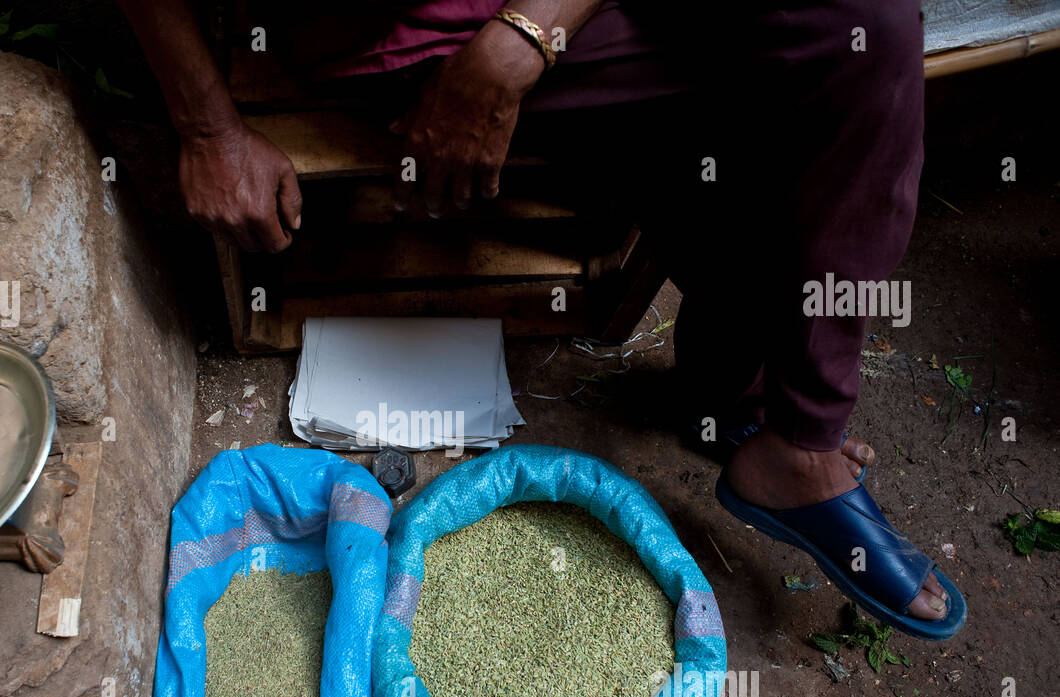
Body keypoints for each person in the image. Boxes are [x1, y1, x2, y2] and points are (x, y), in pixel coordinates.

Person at [120, 0, 966, 639]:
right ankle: (741, 387)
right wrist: (207, 128)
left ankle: (789, 426)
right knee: (761, 87)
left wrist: (527, 32)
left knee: (869, 24)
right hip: (398, 19)